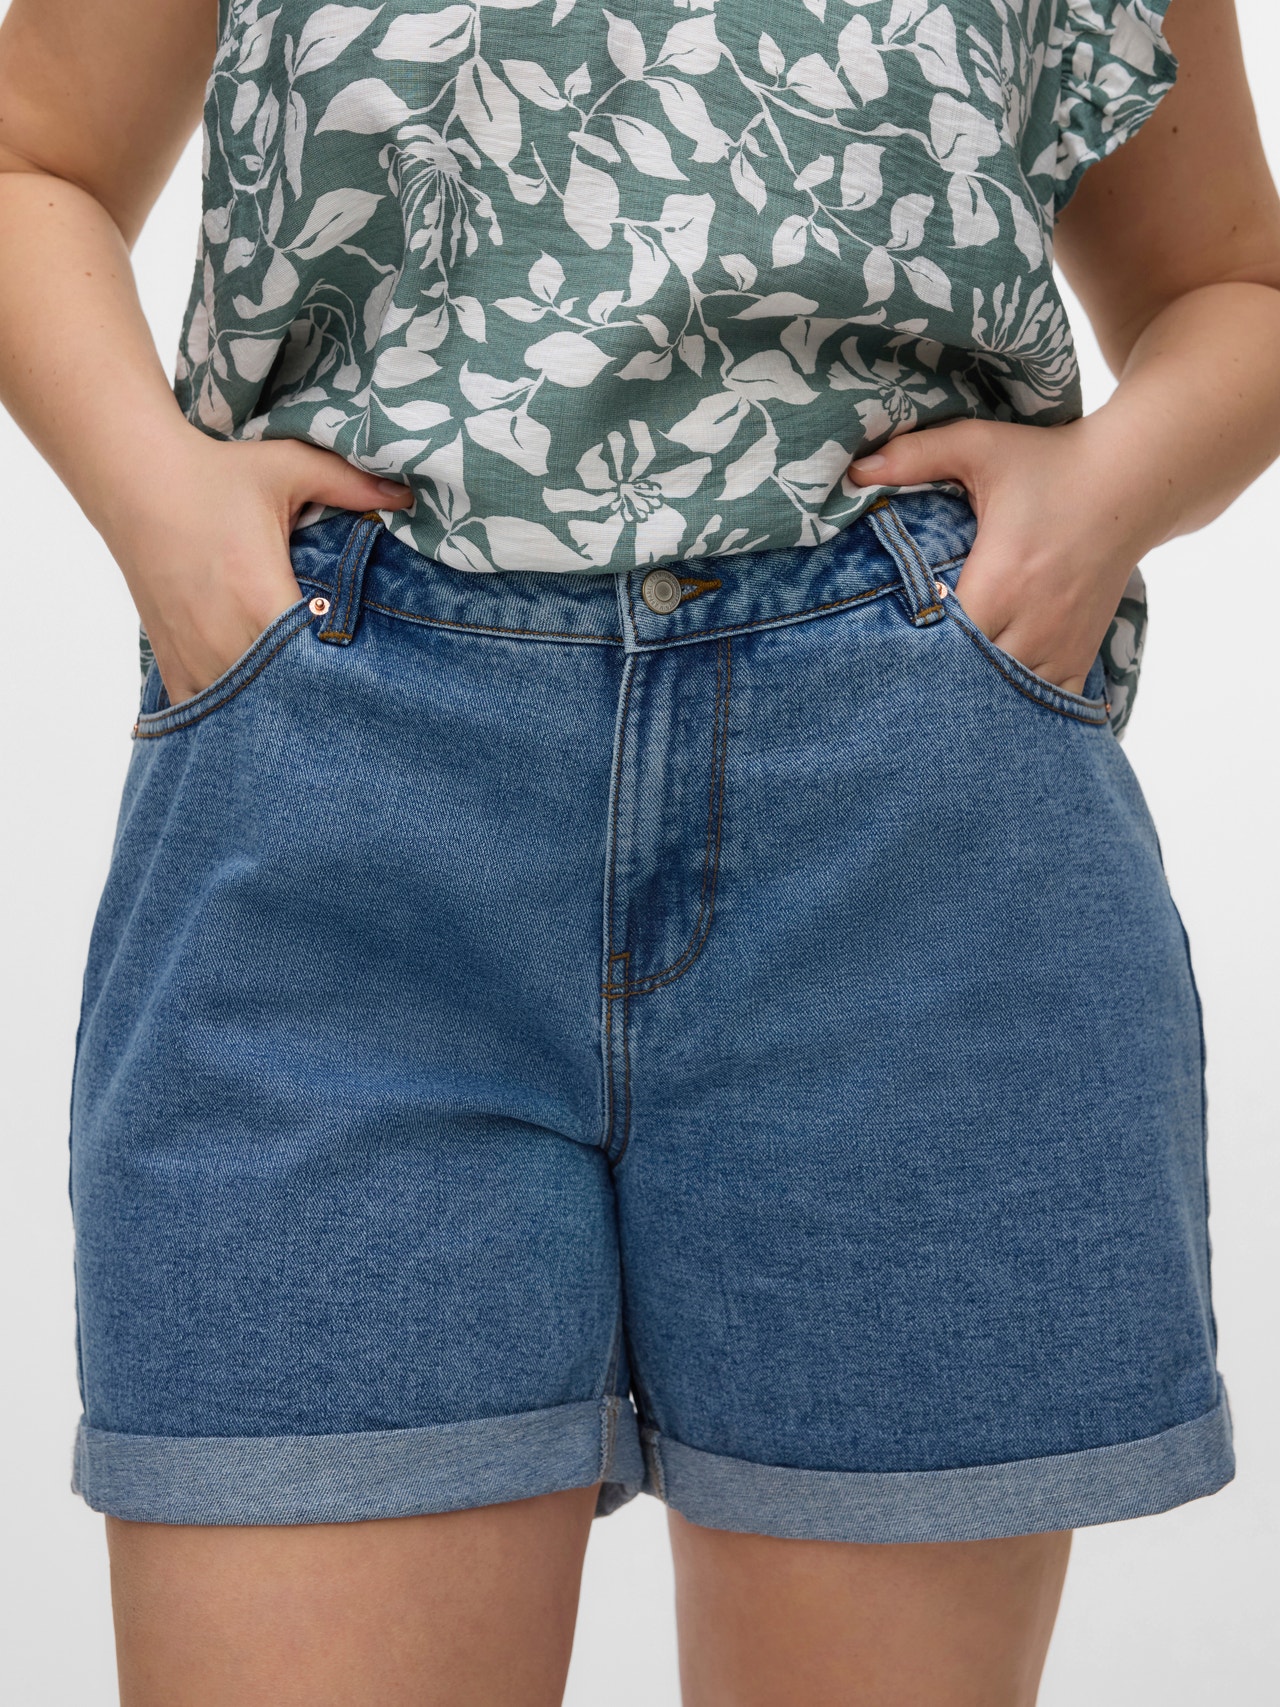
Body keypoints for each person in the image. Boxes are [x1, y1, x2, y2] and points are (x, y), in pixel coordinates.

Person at [1, 0, 1277, 1700]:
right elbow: (32, 157)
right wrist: (157, 509)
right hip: (341, 818)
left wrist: (1105, 499)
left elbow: (1229, 281)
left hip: (905, 841)